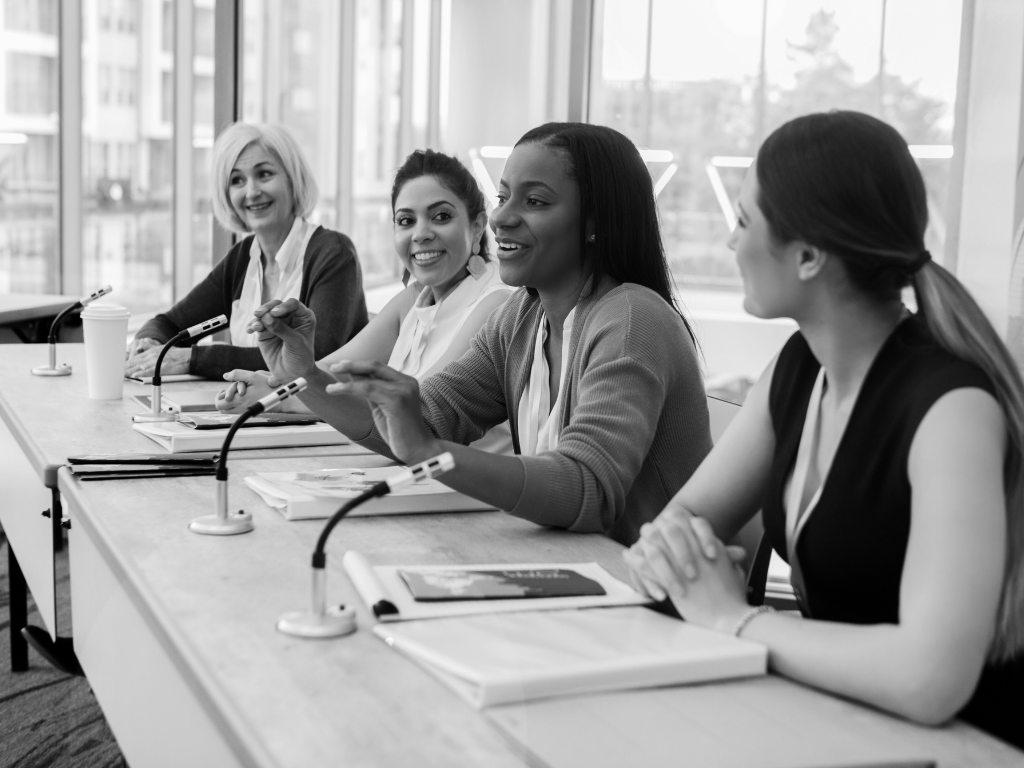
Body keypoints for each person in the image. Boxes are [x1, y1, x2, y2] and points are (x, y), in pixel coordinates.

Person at [625, 111, 1024, 748]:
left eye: (745, 221)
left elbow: (931, 680)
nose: (731, 242)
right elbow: (676, 533)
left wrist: (735, 617)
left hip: (968, 743)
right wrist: (681, 568)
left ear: (809, 255)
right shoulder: (797, 368)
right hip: (843, 719)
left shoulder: (951, 408)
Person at [248, 122, 712, 546]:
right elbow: (423, 421)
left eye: (534, 201)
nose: (500, 218)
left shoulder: (631, 319)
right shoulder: (521, 318)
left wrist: (431, 453)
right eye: (503, 197)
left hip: (655, 605)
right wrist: (306, 373)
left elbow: (588, 490)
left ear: (595, 222)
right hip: (580, 572)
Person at [216, 148, 514, 453]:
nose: (420, 233)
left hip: (464, 493)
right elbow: (333, 370)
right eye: (406, 220)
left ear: (477, 226)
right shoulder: (413, 298)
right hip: (415, 481)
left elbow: (419, 416)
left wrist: (288, 393)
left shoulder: (495, 305)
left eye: (441, 216)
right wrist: (271, 386)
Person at [125, 122, 367, 380]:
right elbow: (169, 324)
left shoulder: (334, 254)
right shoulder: (242, 259)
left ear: (293, 179)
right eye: (237, 180)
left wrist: (192, 358)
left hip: (322, 418)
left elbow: (313, 358)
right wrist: (147, 345)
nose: (252, 192)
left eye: (264, 174)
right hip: (256, 411)